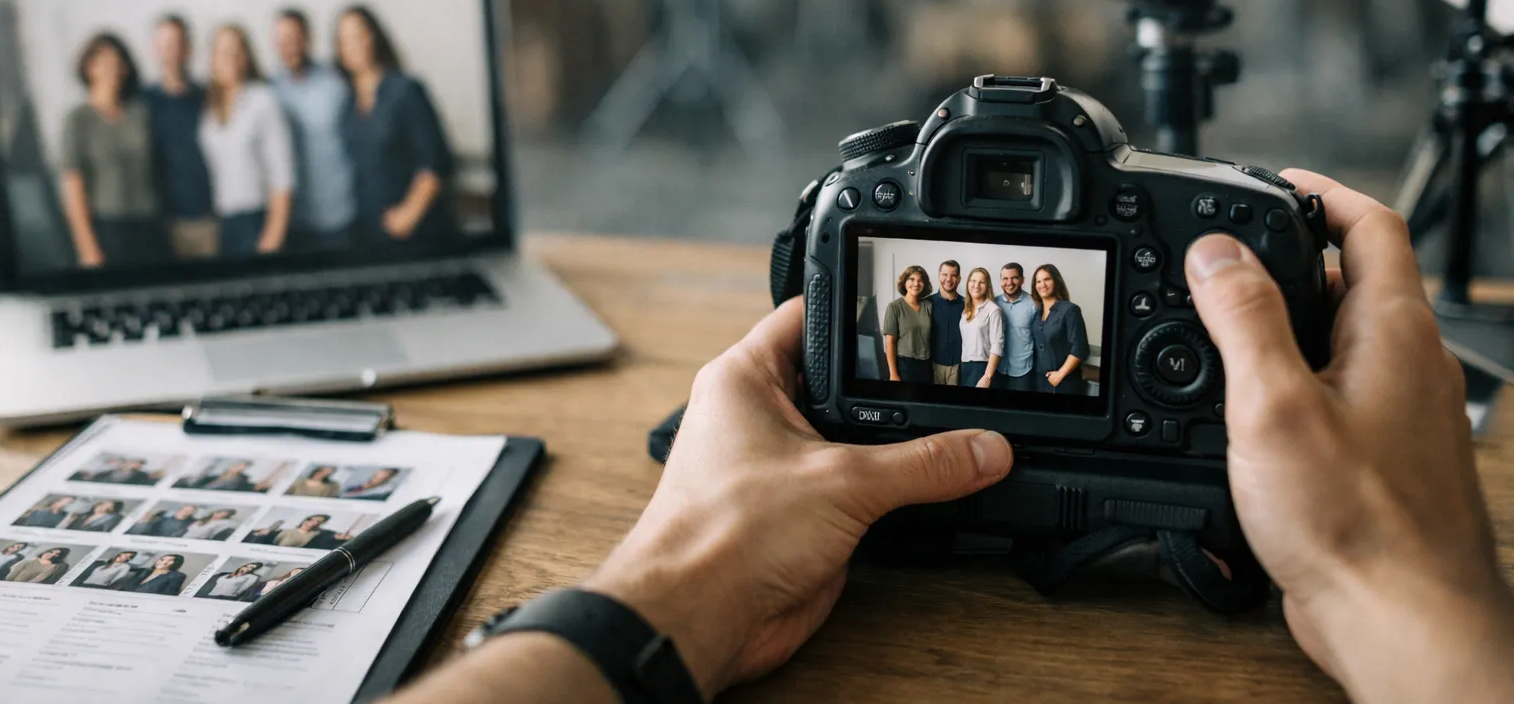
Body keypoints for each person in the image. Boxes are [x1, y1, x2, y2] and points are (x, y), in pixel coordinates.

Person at [386, 171, 1514, 704]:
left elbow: (1048, 350)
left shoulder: (1049, 305)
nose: (997, 272)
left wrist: (1369, 575)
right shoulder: (912, 310)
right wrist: (1398, 590)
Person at [335, 5, 456, 248]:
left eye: (358, 36)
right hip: (368, 232)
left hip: (415, 231)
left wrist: (409, 214)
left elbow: (436, 162)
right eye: (344, 40)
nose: (352, 46)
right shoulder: (347, 103)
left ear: (374, 38)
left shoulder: (405, 90)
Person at [59, 32, 168, 267]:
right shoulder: (79, 119)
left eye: (118, 62)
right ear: (89, 68)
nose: (112, 69)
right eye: (104, 63)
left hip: (149, 226)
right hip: (108, 228)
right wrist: (88, 248)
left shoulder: (141, 113)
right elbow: (74, 188)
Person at [198, 24, 295, 256]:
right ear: (212, 60)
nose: (229, 59)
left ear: (246, 57)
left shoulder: (263, 100)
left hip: (258, 218)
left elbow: (283, 175)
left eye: (236, 51)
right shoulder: (210, 110)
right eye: (222, 52)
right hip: (224, 221)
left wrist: (273, 237)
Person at [271, 8, 357, 252]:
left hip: (339, 216)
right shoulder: (271, 91)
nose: (288, 47)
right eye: (281, 41)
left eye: (294, 39)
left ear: (307, 39)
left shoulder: (337, 84)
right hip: (294, 221)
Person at [142, 14, 218, 258]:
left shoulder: (208, 97)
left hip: (210, 221)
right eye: (164, 45)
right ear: (155, 50)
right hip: (165, 224)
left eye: (176, 44)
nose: (171, 53)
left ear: (187, 49)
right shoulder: (144, 102)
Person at [1029, 263, 1089, 394]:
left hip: (1064, 382)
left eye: (1047, 279)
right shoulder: (1036, 314)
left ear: (1056, 281)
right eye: (1038, 281)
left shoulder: (1070, 310)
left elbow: (1080, 348)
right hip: (1040, 382)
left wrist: (1060, 374)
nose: (1042, 284)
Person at [881, 265, 933, 383]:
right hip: (904, 365)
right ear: (904, 282)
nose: (916, 283)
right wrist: (893, 374)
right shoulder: (894, 307)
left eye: (920, 280)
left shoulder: (928, 305)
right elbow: (890, 342)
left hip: (926, 366)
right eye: (912, 279)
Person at [957, 267, 1004, 388]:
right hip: (965, 366)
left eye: (981, 282)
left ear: (987, 286)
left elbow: (997, 345)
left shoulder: (993, 310)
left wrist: (987, 376)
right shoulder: (965, 311)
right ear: (968, 283)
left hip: (982, 367)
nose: (976, 285)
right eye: (973, 281)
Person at [994, 262, 1037, 391]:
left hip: (1022, 370)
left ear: (1022, 280)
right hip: (997, 368)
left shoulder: (1034, 304)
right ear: (1001, 281)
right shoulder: (994, 303)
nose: (1009, 282)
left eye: (1014, 278)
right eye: (1005, 278)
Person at [926, 261, 964, 386]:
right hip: (932, 365)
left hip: (959, 366)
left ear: (959, 278)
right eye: (945, 274)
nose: (948, 279)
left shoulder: (967, 304)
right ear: (938, 276)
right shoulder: (927, 303)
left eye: (953, 275)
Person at [181, 460, 259, 492]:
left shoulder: (236, 481)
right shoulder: (215, 476)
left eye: (241, 468)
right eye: (237, 466)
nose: (237, 469)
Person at [197, 561, 262, 599]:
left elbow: (243, 589)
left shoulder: (252, 577)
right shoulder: (226, 575)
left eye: (252, 567)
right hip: (211, 595)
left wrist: (235, 595)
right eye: (248, 566)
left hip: (226, 597)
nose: (249, 568)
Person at [5, 547, 70, 585]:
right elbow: (9, 578)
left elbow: (41, 580)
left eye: (56, 554)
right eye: (51, 552)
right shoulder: (27, 562)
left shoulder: (58, 567)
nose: (51, 554)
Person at [73, 456, 157, 485]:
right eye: (134, 462)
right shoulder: (109, 470)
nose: (135, 464)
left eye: (139, 464)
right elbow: (93, 476)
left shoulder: (141, 475)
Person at [242, 567, 307, 602]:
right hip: (254, 597)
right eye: (297, 570)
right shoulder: (273, 581)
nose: (297, 572)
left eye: (300, 572)